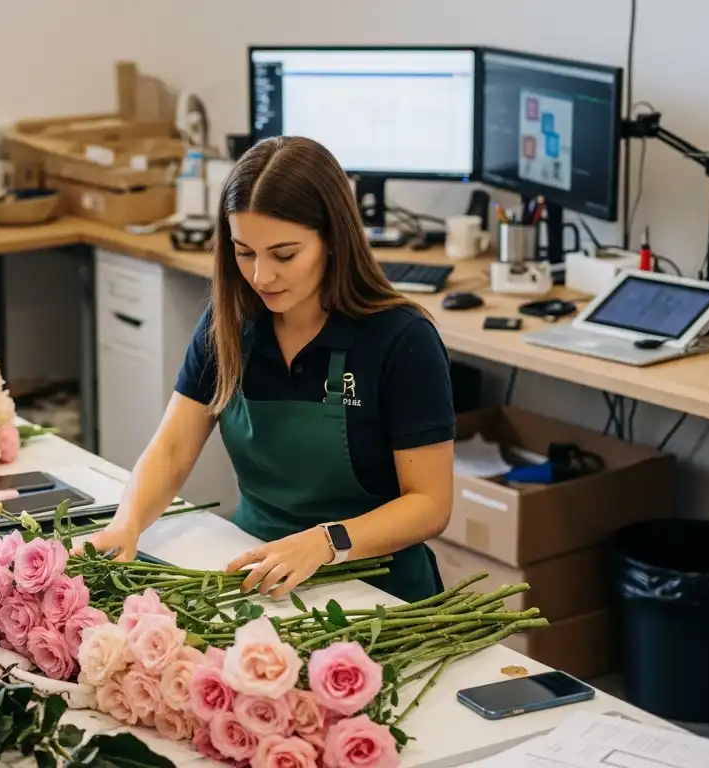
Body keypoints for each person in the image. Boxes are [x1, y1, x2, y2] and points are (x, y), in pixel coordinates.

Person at [83, 136, 455, 604]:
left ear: (333, 241)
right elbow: (174, 448)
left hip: (377, 593)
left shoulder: (401, 340)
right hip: (254, 573)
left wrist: (327, 542)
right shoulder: (230, 323)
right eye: (244, 252)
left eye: (284, 255)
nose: (261, 276)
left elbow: (430, 504)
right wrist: (127, 523)